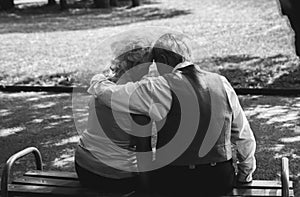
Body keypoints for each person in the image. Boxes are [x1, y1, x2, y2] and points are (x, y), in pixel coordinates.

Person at [91, 33, 256, 196]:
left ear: (163, 58)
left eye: (155, 62)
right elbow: (244, 136)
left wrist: (97, 80)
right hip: (219, 180)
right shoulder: (222, 82)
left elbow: (112, 95)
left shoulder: (161, 86)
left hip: (175, 181)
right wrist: (244, 175)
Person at [74, 38, 154, 194]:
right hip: (116, 177)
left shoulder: (101, 87)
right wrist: (148, 190)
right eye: (148, 65)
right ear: (136, 67)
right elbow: (143, 153)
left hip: (83, 167)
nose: (149, 70)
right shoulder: (139, 102)